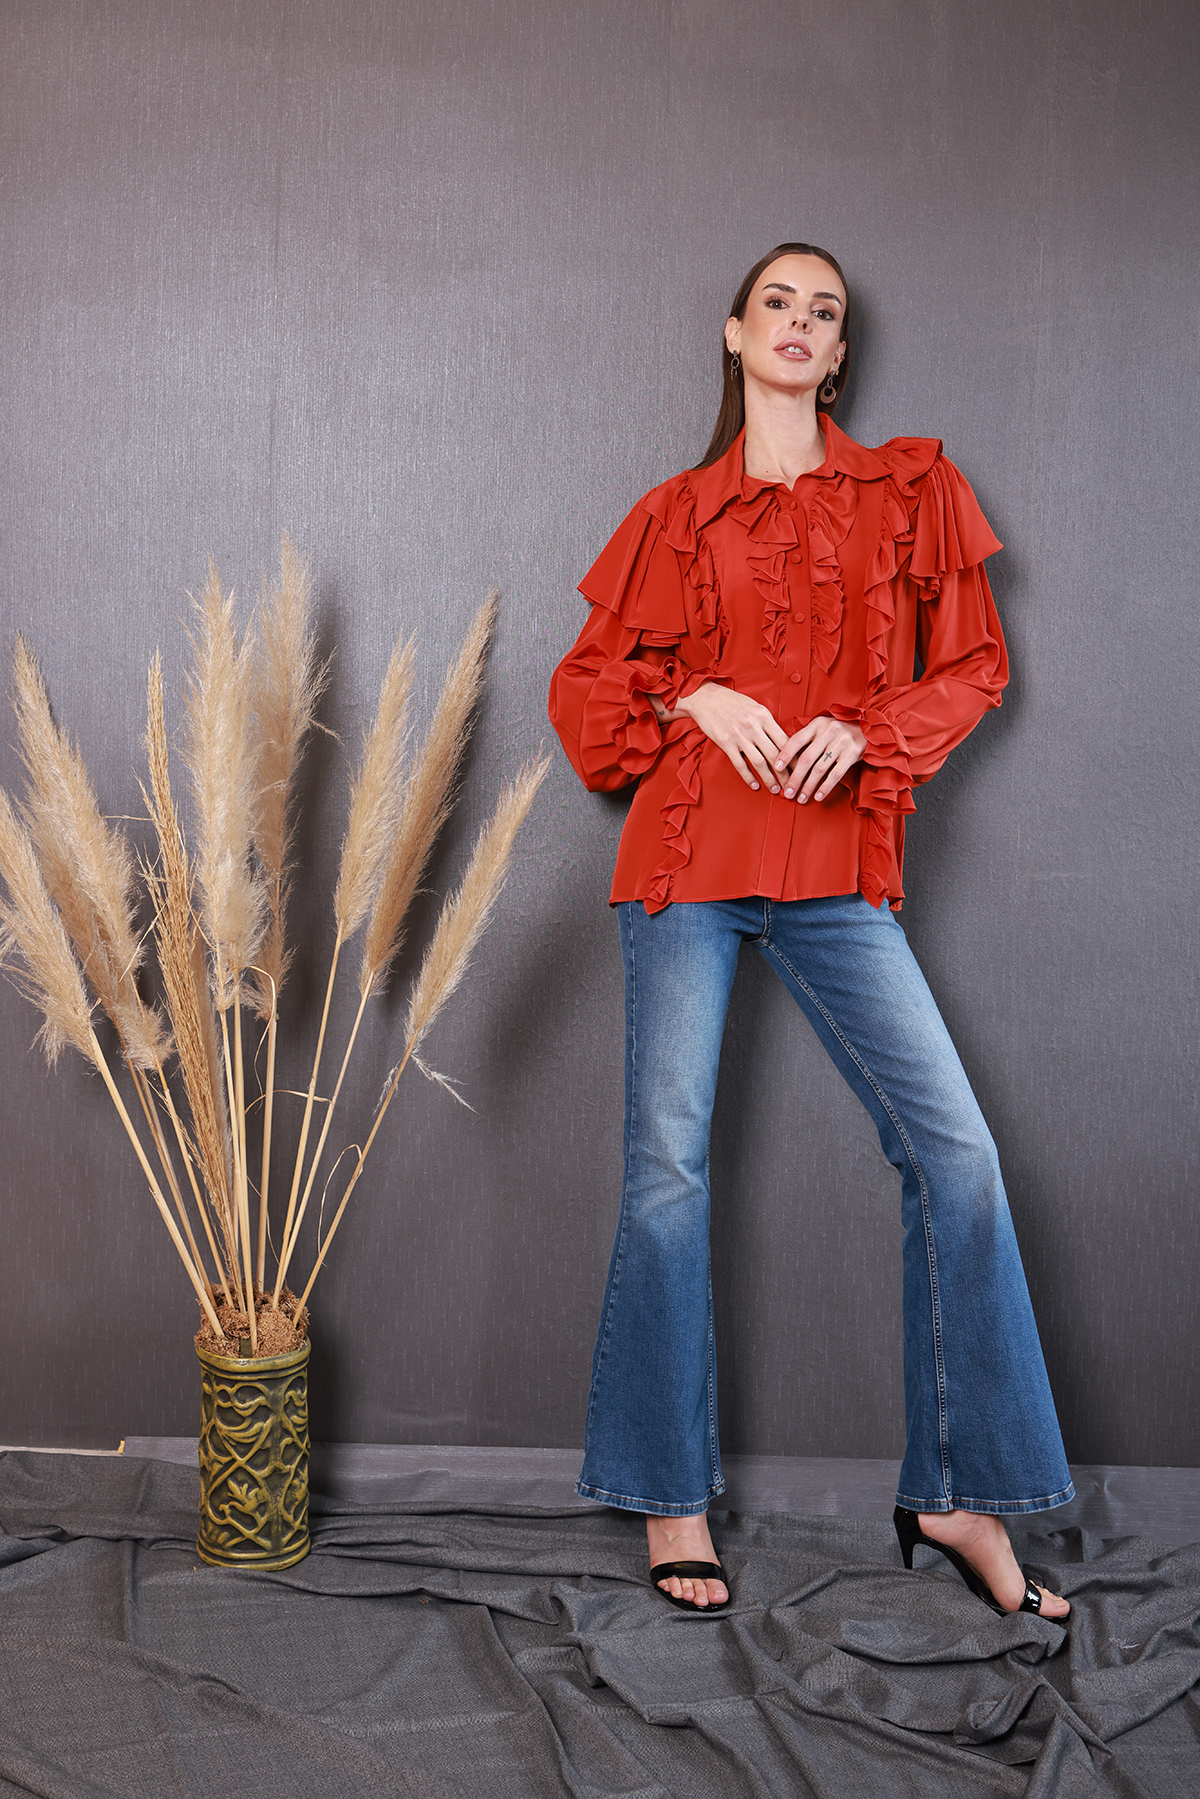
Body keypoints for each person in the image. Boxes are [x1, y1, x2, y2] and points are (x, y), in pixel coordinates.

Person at [548, 244, 1072, 1619]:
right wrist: (691, 700)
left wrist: (868, 733)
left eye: (822, 311)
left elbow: (975, 666)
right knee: (666, 1174)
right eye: (775, 302)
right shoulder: (676, 514)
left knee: (956, 1156)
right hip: (688, 858)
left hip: (838, 869)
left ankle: (954, 1490)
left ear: (839, 356)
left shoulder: (910, 491)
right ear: (735, 334)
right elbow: (590, 692)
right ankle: (669, 1495)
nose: (798, 322)